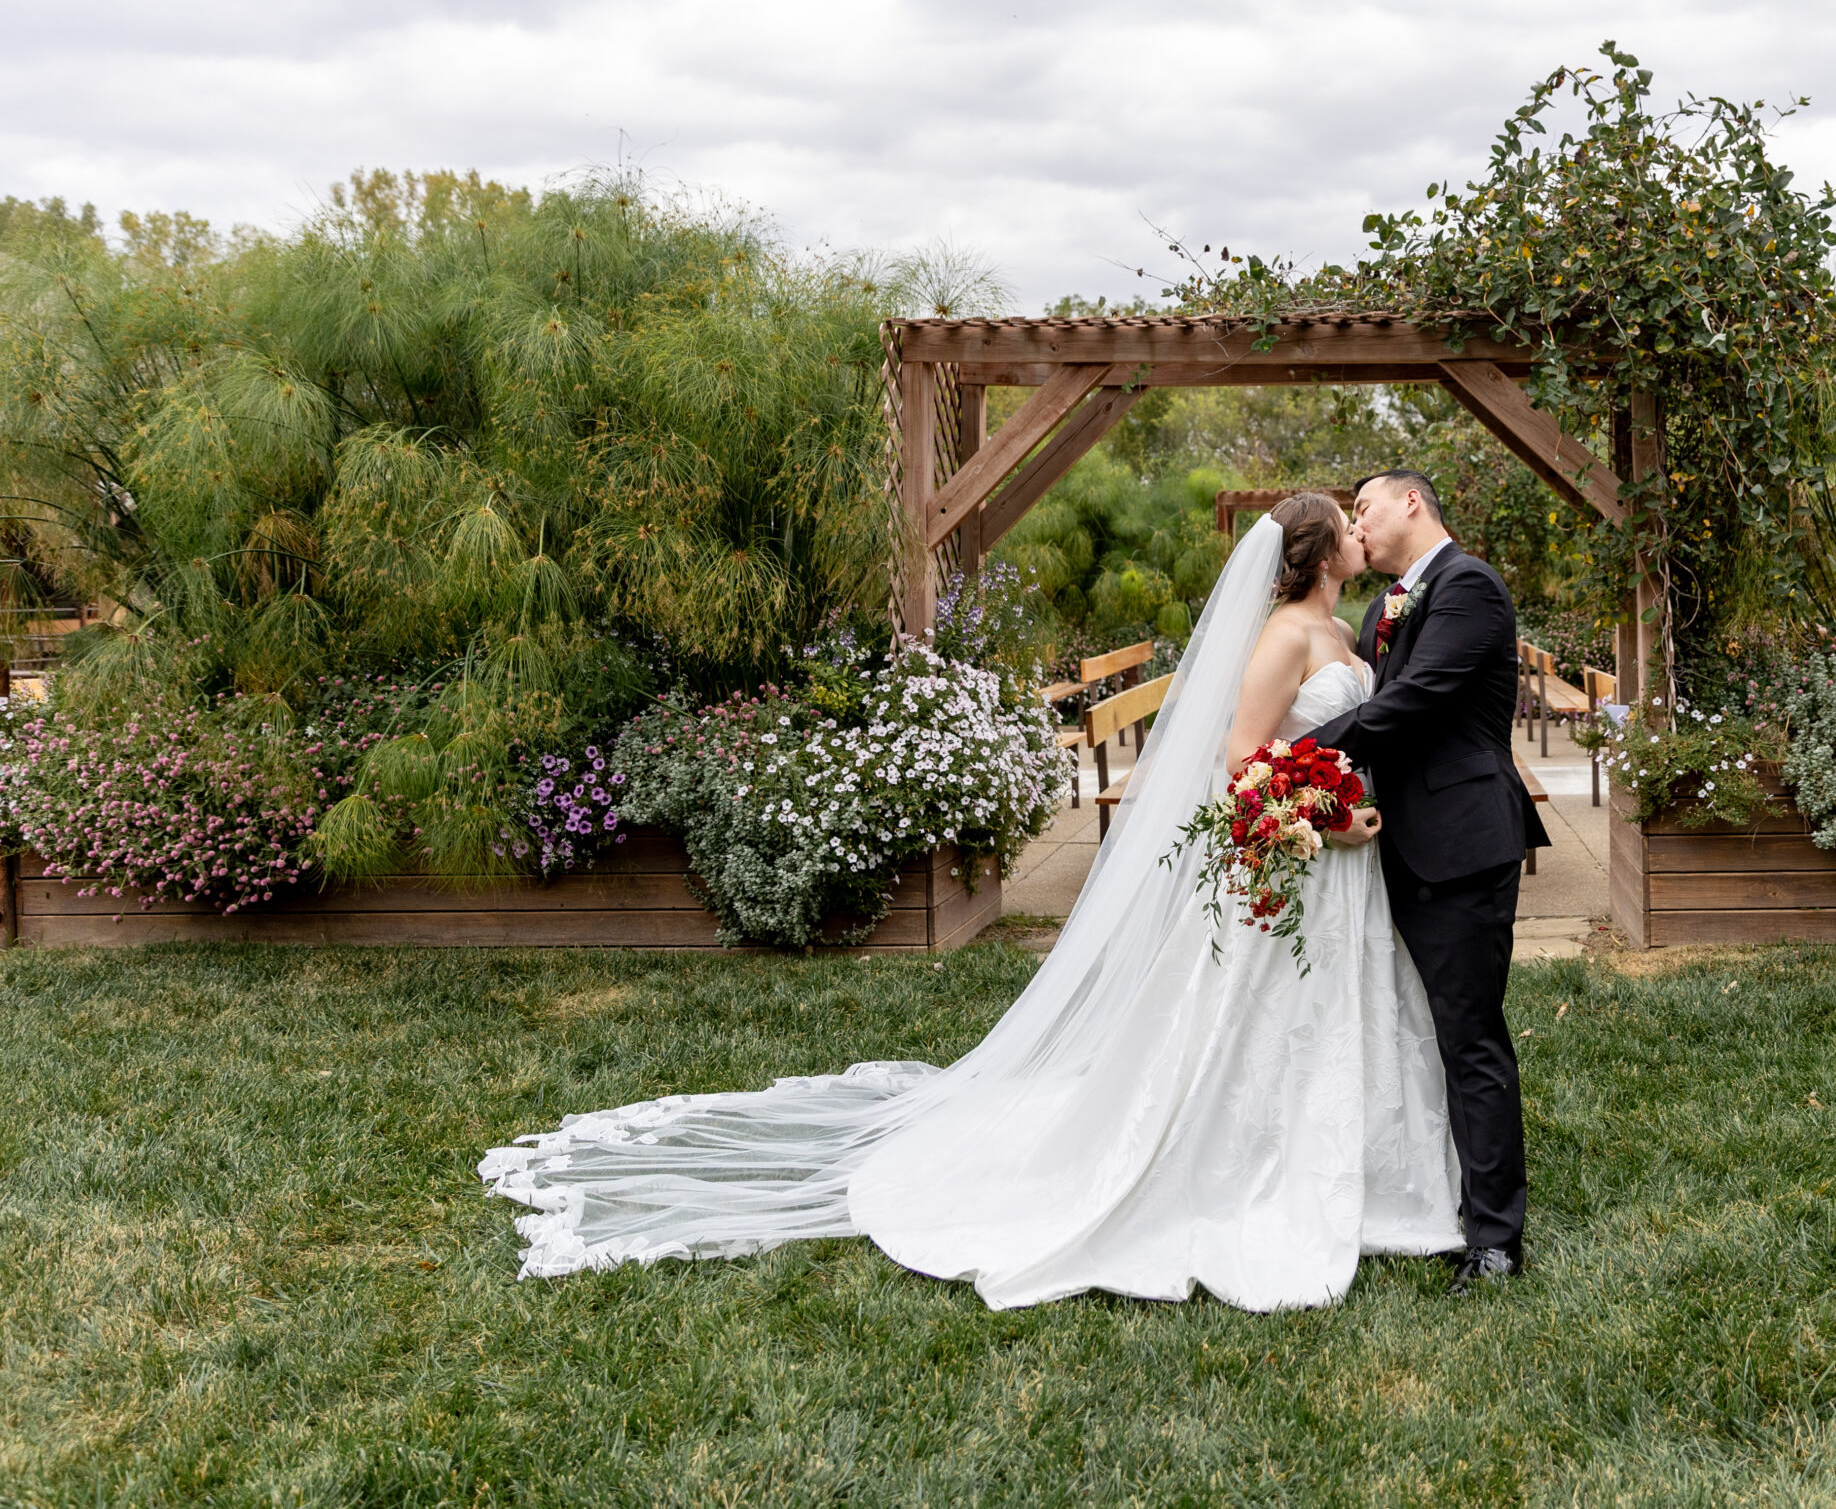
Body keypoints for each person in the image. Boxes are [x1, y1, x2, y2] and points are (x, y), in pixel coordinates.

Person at [479, 493, 1467, 1310]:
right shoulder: (1283, 634)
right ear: (1319, 551)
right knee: (1249, 1020)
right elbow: (1240, 757)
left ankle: (1356, 1168)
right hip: (1292, 851)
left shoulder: (1344, 625)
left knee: (1338, 1008)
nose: (1358, 525)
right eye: (1347, 519)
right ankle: (1235, 1165)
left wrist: (1339, 809)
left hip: (1336, 862)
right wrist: (1313, 813)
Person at [1307, 470, 1547, 1292]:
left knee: (1470, 1036)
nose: (1358, 525)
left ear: (1413, 502)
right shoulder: (1382, 609)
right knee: (1419, 1029)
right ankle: (1432, 1196)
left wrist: (1302, 760)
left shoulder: (1469, 585)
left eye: (1365, 507)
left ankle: (1496, 1240)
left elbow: (1416, 698)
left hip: (1462, 842)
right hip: (1397, 847)